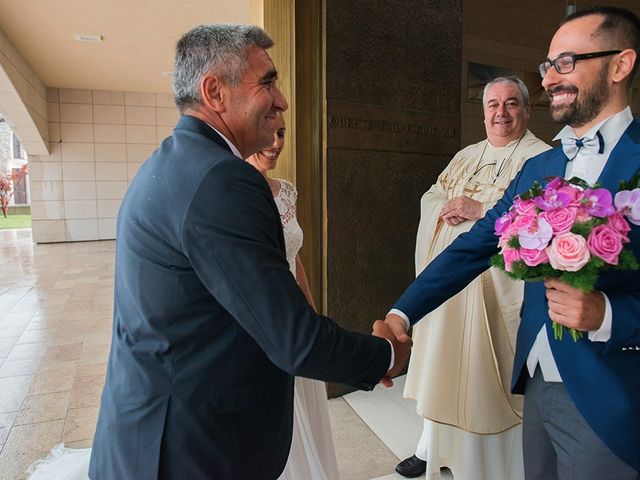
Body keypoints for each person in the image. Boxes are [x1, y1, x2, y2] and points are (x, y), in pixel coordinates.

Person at [83, 24, 409, 480]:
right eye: (268, 82)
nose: (282, 101)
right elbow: (296, 341)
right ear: (215, 91)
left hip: (150, 437)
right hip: (189, 451)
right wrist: (387, 356)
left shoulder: (168, 164)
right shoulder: (223, 180)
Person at [383, 6, 640, 480]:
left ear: (620, 65)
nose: (550, 80)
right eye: (547, 67)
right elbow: (477, 245)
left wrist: (608, 315)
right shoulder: (540, 168)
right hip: (537, 380)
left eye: (566, 63)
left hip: (614, 392)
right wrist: (401, 314)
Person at [395, 77, 550, 479]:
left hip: (495, 294)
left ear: (527, 110)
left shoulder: (542, 158)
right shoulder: (466, 155)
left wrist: (481, 208)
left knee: (483, 377)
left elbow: (538, 222)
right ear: (483, 113)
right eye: (493, 105)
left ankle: (491, 465)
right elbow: (431, 196)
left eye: (512, 104)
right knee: (442, 367)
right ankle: (431, 447)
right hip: (450, 294)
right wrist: (446, 207)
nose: (501, 113)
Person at [245, 115, 340, 479]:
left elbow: (293, 256)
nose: (275, 142)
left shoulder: (287, 191)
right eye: (267, 133)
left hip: (296, 316)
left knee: (304, 400)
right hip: (264, 318)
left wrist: (313, 313)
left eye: (281, 133)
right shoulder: (233, 191)